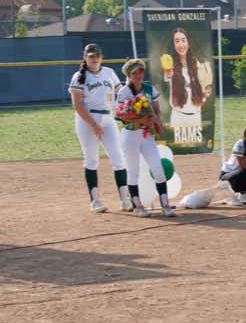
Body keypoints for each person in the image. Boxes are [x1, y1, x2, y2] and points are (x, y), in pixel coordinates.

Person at [68, 43, 131, 214]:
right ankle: (95, 201)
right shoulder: (79, 77)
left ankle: (125, 199)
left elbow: (122, 93)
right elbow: (77, 105)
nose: (94, 58)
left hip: (108, 118)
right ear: (85, 58)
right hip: (87, 120)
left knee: (119, 159)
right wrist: (93, 124)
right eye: (91, 56)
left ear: (102, 57)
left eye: (97, 55)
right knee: (91, 160)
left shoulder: (109, 72)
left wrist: (130, 88)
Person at [118, 58, 176, 217]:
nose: (138, 75)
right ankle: (137, 206)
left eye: (140, 72)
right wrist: (142, 119)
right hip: (130, 135)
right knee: (133, 171)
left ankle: (165, 205)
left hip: (146, 135)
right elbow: (122, 116)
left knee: (158, 168)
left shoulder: (150, 89)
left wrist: (156, 121)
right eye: (134, 73)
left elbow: (157, 110)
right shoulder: (124, 92)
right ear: (129, 75)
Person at [163, 27, 213, 132]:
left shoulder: (198, 63)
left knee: (197, 143)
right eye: (177, 41)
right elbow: (167, 76)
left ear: (188, 42)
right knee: (176, 143)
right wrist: (168, 73)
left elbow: (207, 87)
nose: (181, 44)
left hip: (196, 116)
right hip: (178, 116)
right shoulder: (170, 63)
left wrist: (203, 97)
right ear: (173, 45)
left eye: (183, 40)